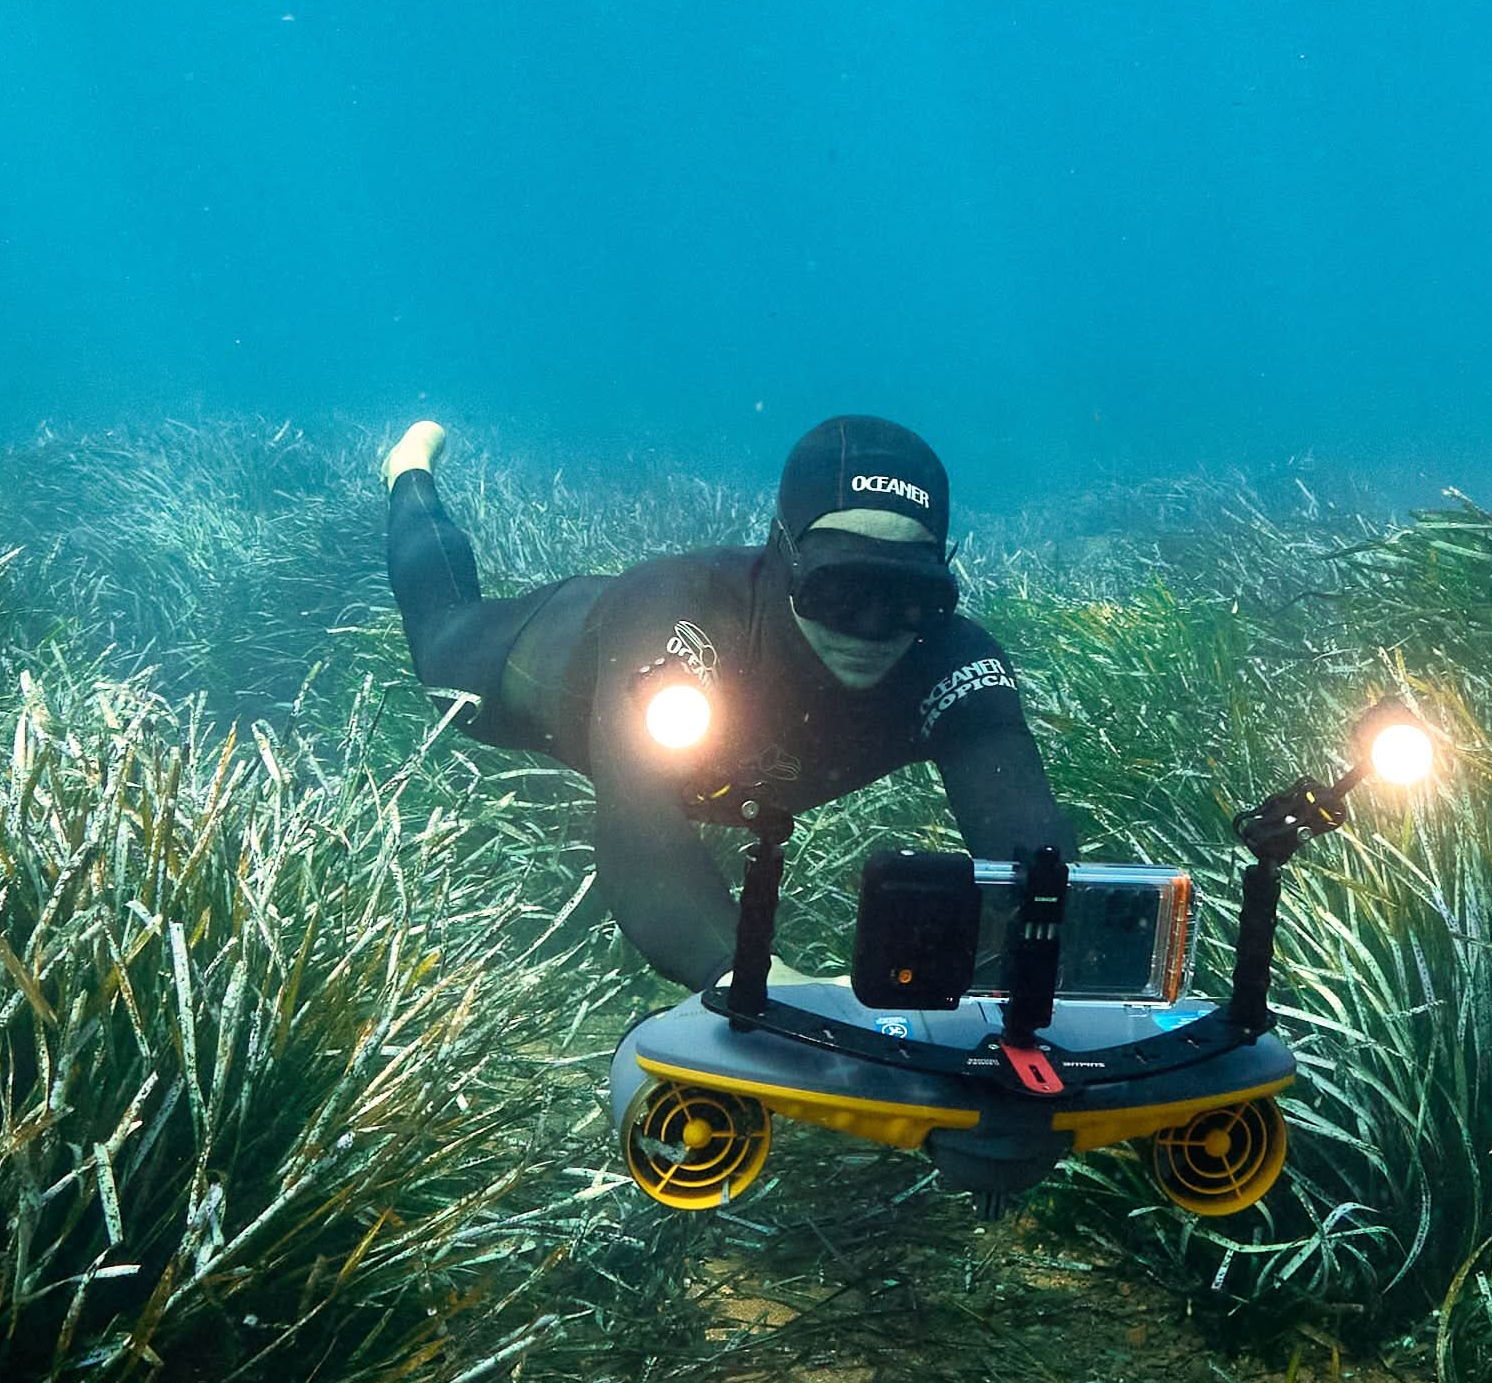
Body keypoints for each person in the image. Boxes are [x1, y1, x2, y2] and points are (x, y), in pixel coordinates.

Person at [378, 410, 1072, 988]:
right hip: (559, 655)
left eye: (911, 597)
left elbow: (1040, 856)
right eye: (839, 589)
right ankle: (407, 471)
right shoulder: (675, 614)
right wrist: (762, 982)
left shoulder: (954, 662)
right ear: (785, 557)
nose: (870, 628)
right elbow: (641, 835)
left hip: (723, 753)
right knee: (442, 647)